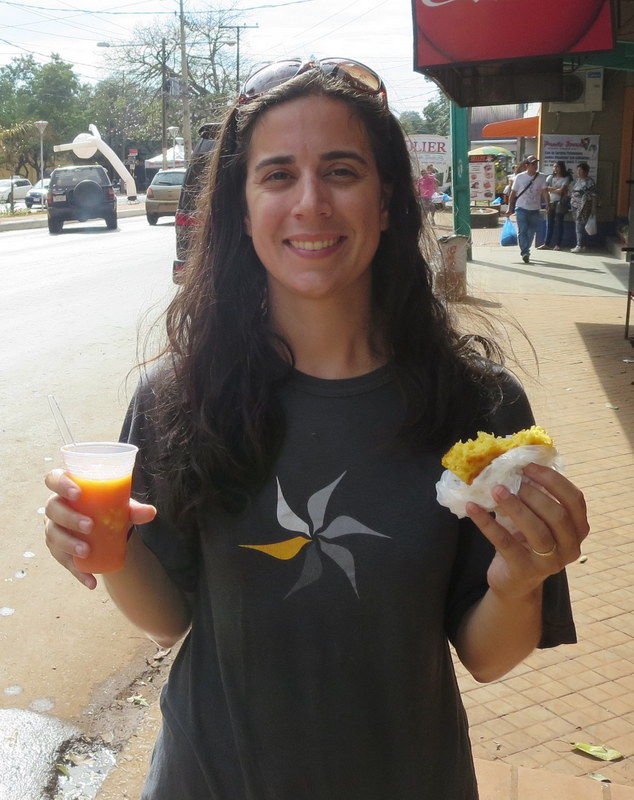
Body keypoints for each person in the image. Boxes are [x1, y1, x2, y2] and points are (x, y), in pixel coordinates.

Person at [44, 58, 588, 800]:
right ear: (242, 209)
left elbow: (488, 657)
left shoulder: (479, 408)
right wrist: (104, 542)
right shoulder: (179, 395)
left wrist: (520, 579)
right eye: (277, 176)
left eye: (340, 171)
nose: (310, 203)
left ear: (386, 200)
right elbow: (169, 621)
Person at [506, 155, 549, 264]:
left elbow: (545, 191)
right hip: (521, 208)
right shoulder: (519, 177)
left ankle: (526, 249)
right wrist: (509, 208)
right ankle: (525, 252)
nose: (535, 166)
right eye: (533, 164)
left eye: (536, 164)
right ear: (527, 165)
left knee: (531, 232)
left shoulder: (541, 177)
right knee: (522, 231)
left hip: (535, 209)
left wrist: (548, 204)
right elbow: (513, 194)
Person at [538, 161, 572, 251]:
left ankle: (558, 244)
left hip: (560, 202)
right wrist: (555, 189)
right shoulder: (550, 177)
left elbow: (562, 191)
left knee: (559, 223)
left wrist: (551, 189)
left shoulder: (566, 178)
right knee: (549, 223)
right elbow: (544, 189)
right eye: (554, 167)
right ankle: (546, 243)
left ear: (562, 168)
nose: (555, 169)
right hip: (551, 201)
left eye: (557, 167)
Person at [569, 161, 597, 254]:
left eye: (580, 170)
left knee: (579, 225)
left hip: (584, 206)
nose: (578, 172)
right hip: (575, 205)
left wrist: (593, 209)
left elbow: (594, 195)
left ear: (585, 171)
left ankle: (579, 245)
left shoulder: (589, 182)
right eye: (577, 170)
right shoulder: (578, 180)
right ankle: (582, 244)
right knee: (578, 225)